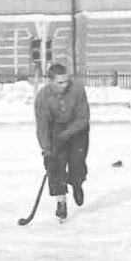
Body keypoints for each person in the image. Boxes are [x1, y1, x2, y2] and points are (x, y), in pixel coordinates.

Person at [34, 63, 91, 222]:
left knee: (77, 163)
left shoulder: (78, 90)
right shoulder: (43, 97)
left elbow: (83, 118)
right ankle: (61, 202)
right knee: (54, 166)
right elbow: (42, 126)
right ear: (50, 81)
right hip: (56, 129)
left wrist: (65, 135)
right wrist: (46, 149)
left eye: (66, 81)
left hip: (78, 130)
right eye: (60, 82)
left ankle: (77, 183)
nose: (65, 85)